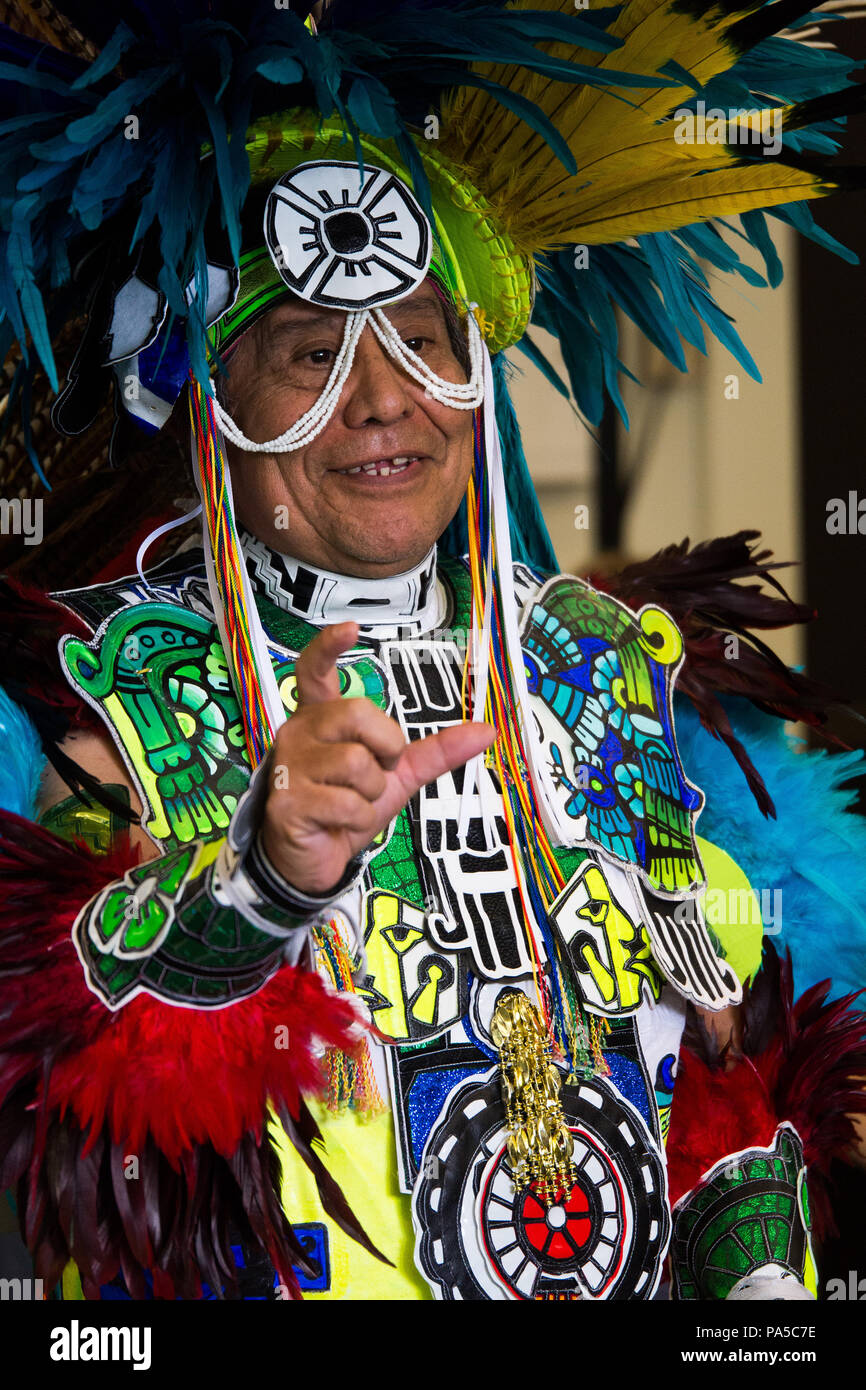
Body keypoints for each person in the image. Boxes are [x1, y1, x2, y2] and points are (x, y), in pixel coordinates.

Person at [1, 0, 865, 1302]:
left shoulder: (604, 670)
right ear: (207, 401)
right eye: (312, 349)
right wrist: (264, 874)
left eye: (420, 335)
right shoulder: (101, 698)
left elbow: (725, 1089)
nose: (386, 392)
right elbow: (64, 1072)